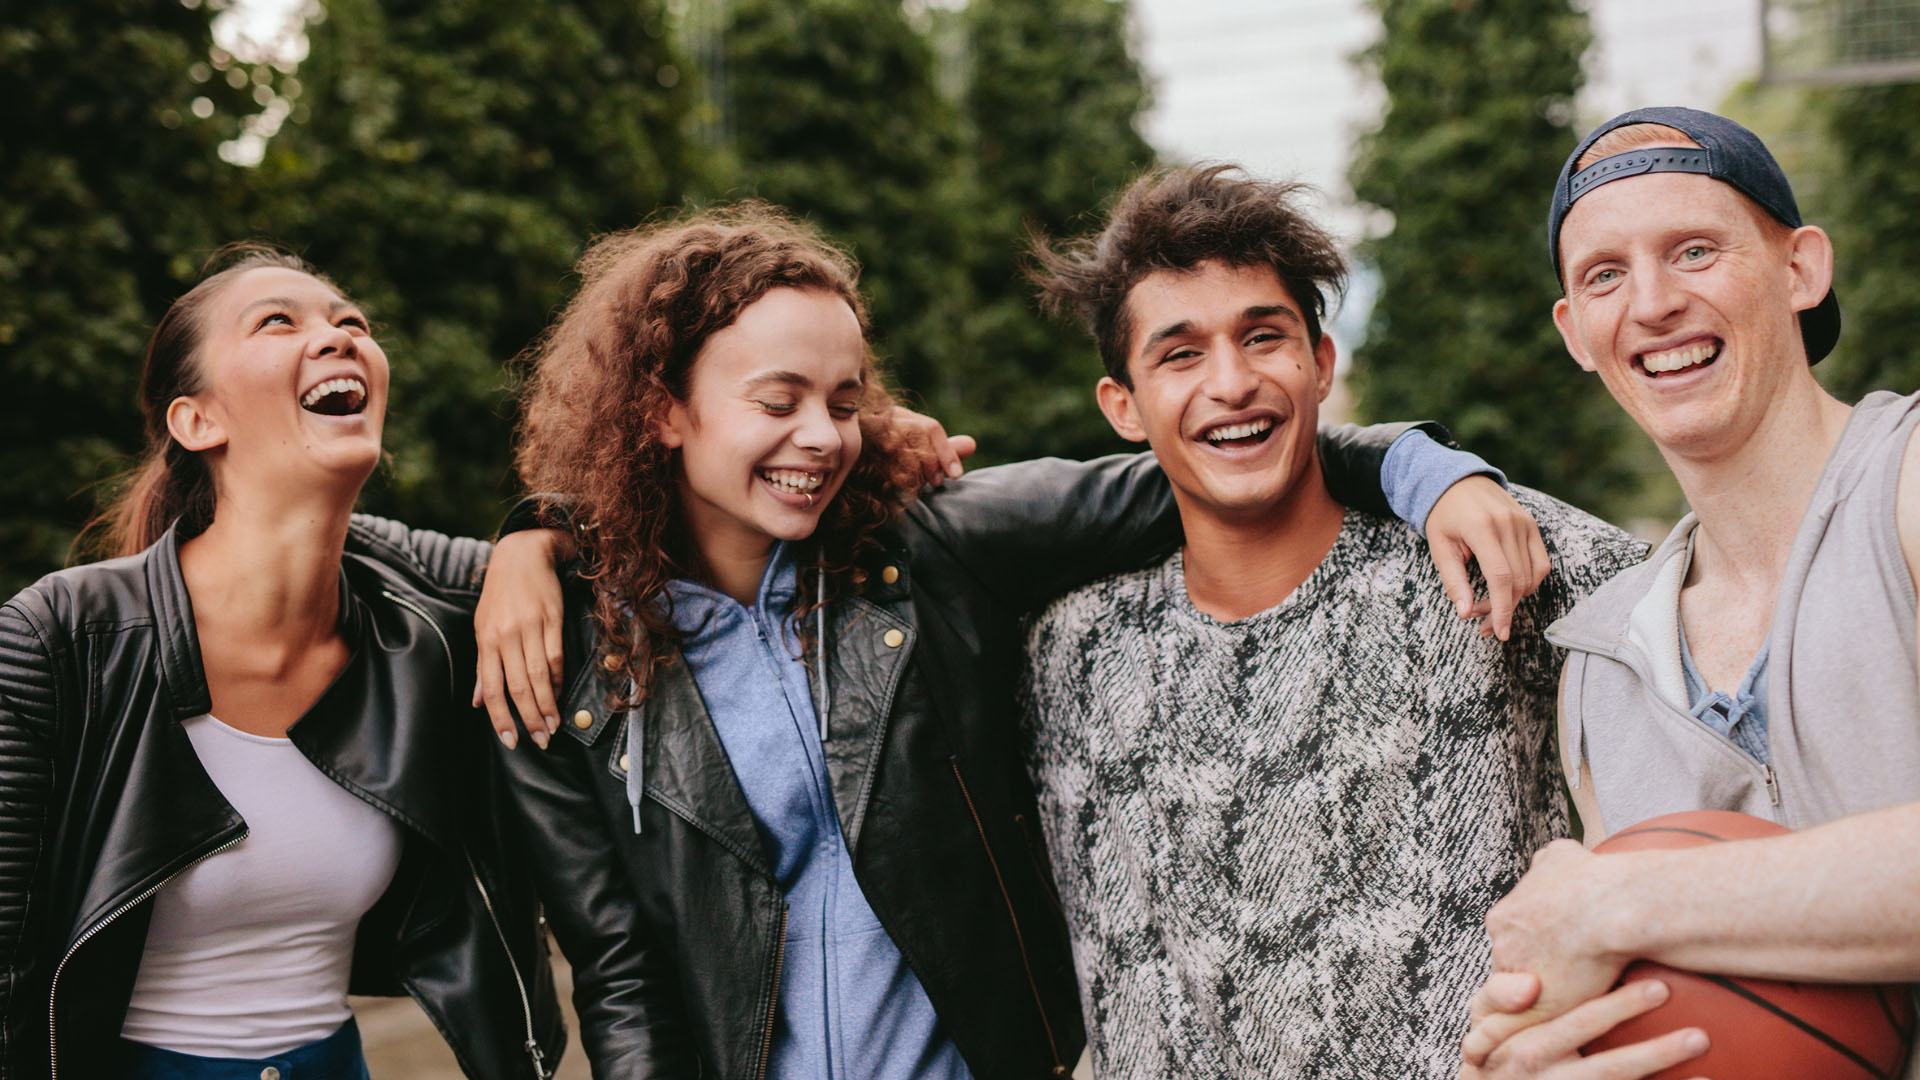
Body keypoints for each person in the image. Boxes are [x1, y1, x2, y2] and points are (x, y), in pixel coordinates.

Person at [475, 203, 1546, 1078]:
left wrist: (1425, 472)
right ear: (663, 410)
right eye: (778, 399)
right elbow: (620, 978)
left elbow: (1220, 458)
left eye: (845, 401)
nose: (821, 436)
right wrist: (537, 532)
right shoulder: (565, 658)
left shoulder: (933, 549)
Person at [1014, 164, 1647, 1079]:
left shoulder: (1487, 562)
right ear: (1123, 405)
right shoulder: (1066, 654)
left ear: (1320, 362)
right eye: (1180, 354)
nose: (1229, 383)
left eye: (1263, 337)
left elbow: (1724, 650)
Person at [0, 247, 563, 1079]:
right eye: (279, 321)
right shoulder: (62, 634)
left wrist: (533, 535)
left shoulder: (414, 596)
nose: (339, 338)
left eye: (351, 323)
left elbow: (620, 560)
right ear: (197, 422)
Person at [1460, 107, 1920, 1079]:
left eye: (1695, 250)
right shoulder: (1600, 664)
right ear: (1576, 333)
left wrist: (1617, 901)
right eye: (1605, 275)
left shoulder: (1907, 485)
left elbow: (1609, 916)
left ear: (1801, 267)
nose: (1654, 302)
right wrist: (1529, 1053)